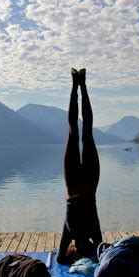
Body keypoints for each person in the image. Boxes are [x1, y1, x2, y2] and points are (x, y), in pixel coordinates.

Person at [57, 68, 102, 265]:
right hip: (82, 181)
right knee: (82, 132)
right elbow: (61, 258)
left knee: (80, 132)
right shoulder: (81, 231)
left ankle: (78, 85)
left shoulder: (82, 231)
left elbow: (60, 258)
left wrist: (86, 253)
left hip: (81, 181)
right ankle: (79, 85)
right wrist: (82, 254)